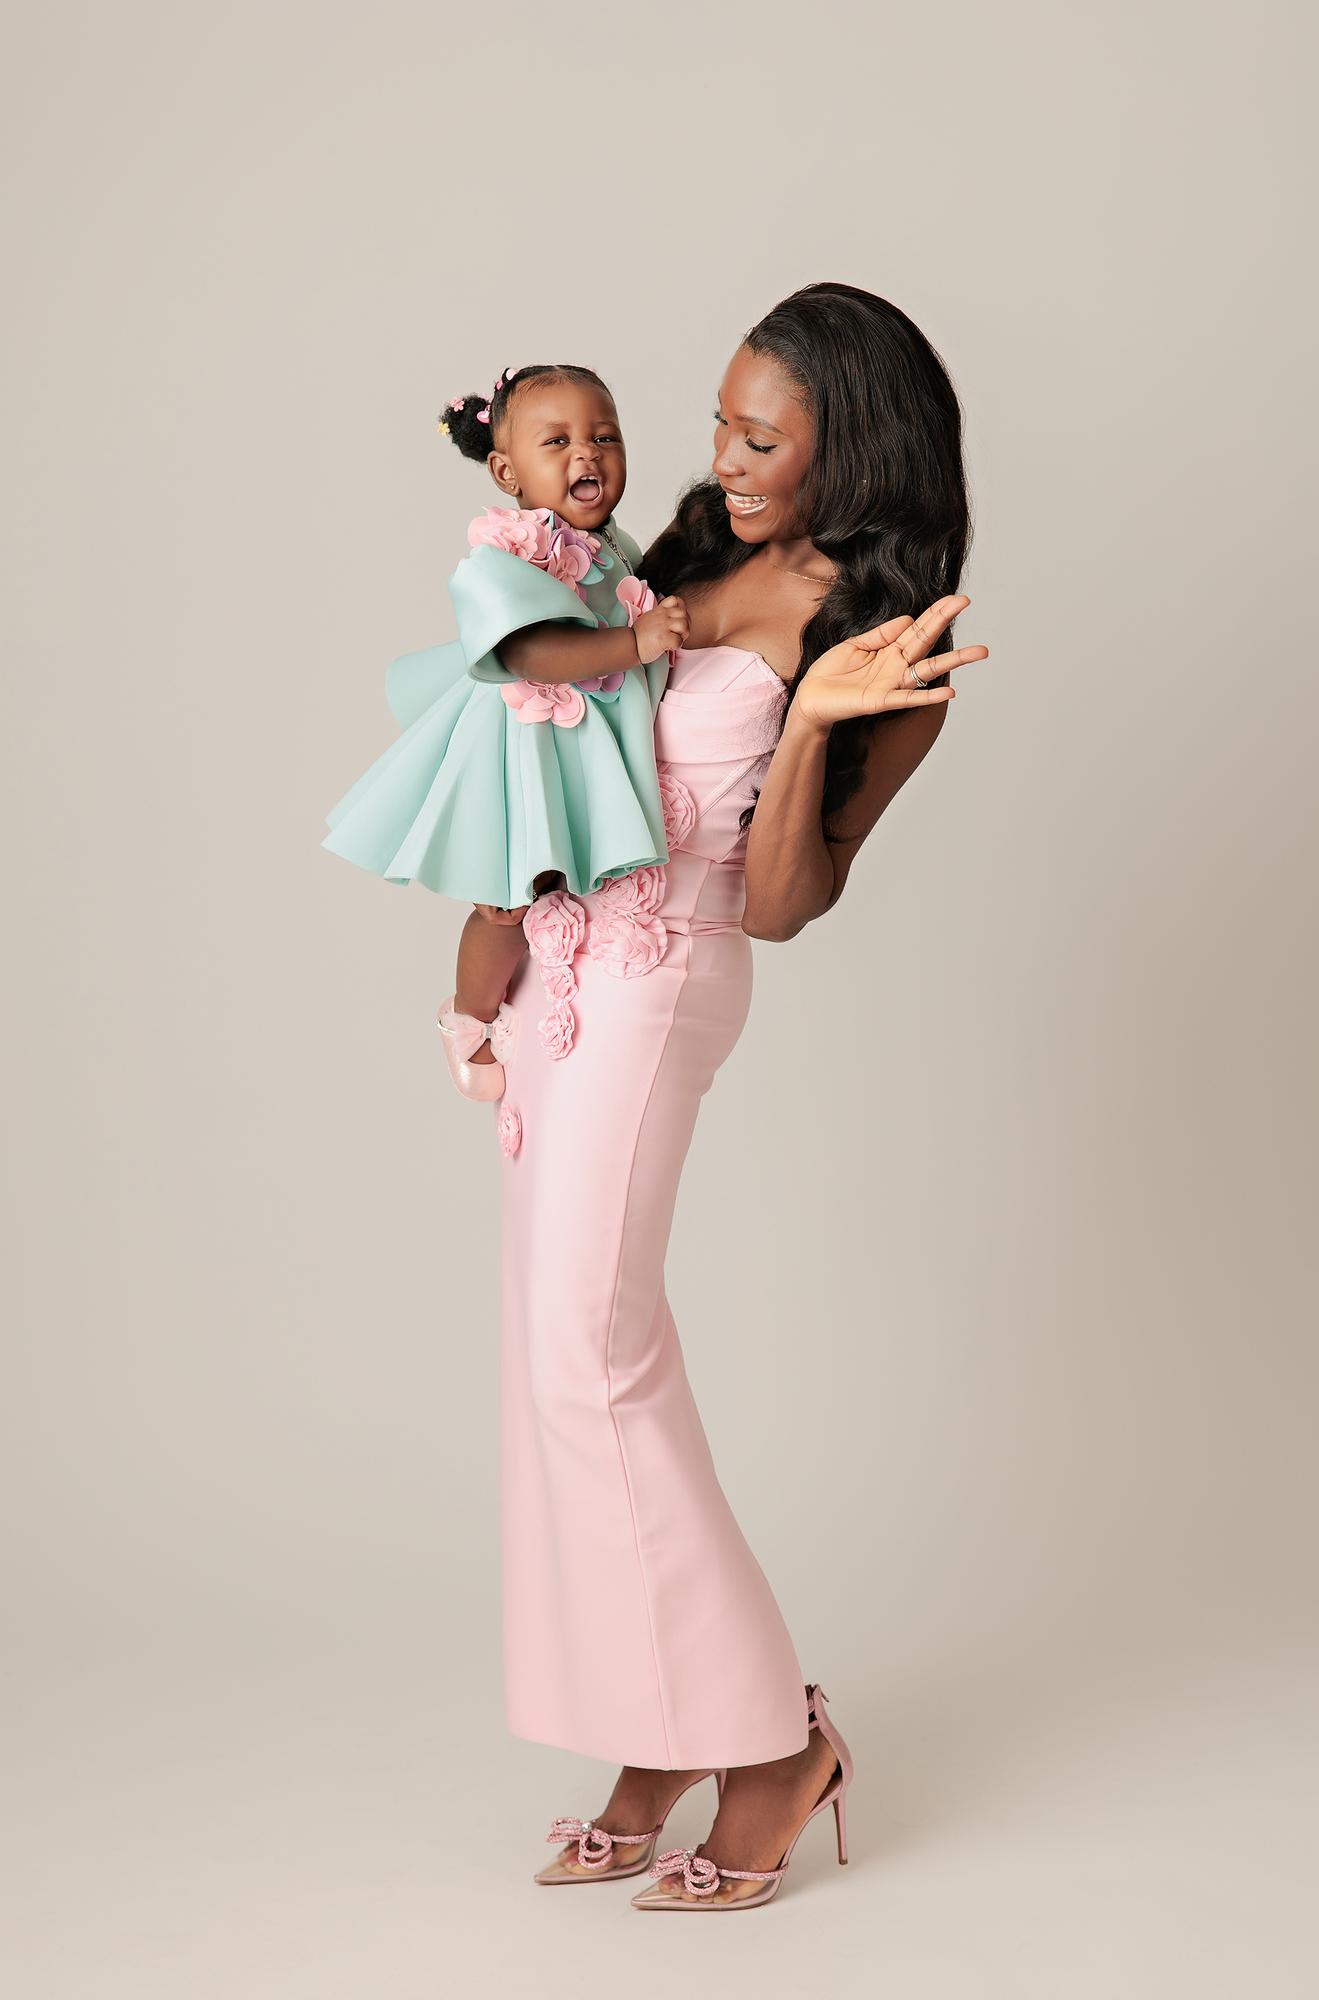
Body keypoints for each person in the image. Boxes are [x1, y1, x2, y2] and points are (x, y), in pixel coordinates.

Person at [492, 282, 990, 1910]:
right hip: (568, 969)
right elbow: (566, 719)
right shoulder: (703, 544)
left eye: (760, 435)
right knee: (560, 1360)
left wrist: (819, 720)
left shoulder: (887, 632)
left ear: (855, 445)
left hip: (667, 974)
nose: (720, 458)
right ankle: (662, 1728)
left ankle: (771, 1741)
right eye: (715, 422)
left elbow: (781, 900)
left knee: (596, 1351)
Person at [321, 362, 689, 1099]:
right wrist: (635, 644)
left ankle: (549, 988)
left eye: (604, 436)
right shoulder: (506, 551)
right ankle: (470, 1017)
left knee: (566, 881)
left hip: (573, 742)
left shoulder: (612, 540)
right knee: (507, 897)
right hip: (519, 742)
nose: (586, 454)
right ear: (506, 471)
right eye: (556, 441)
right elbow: (530, 651)